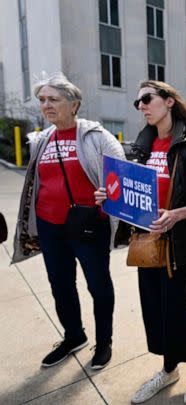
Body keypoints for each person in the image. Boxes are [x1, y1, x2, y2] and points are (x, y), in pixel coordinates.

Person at [95, 81, 186, 404]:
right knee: (156, 310)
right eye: (137, 102)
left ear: (168, 102)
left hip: (176, 245)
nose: (141, 106)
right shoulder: (142, 147)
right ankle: (168, 369)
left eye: (147, 99)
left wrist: (177, 214)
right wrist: (109, 196)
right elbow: (131, 193)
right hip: (145, 242)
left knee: (175, 308)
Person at [13, 72, 124, 370]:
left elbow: (121, 178)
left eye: (53, 99)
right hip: (50, 227)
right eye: (42, 100)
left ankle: (104, 342)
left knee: (98, 286)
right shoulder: (41, 140)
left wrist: (108, 197)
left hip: (88, 225)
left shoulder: (96, 136)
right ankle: (74, 336)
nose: (46, 105)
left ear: (73, 104)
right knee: (60, 285)